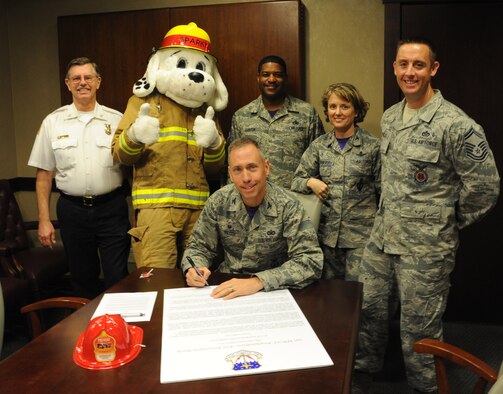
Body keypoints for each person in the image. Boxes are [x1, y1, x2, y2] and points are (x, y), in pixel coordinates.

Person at [353, 38, 500, 393]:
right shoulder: (390, 117)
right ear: (394, 68)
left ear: (433, 69)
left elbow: (486, 187)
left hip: (426, 251)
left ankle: (425, 390)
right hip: (383, 241)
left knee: (418, 332)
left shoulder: (457, 125)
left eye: (418, 65)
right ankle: (358, 380)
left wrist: (444, 221)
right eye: (403, 64)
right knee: (369, 315)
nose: (409, 72)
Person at [112, 22, 227, 269]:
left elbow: (215, 168)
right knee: (158, 282)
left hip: (198, 210)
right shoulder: (142, 102)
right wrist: (134, 135)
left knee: (198, 280)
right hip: (156, 209)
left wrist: (215, 143)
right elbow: (120, 154)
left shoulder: (204, 110)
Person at [28, 57, 131, 299]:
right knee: (82, 278)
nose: (82, 83)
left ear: (98, 82)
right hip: (72, 211)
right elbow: (44, 175)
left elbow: (132, 170)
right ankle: (88, 332)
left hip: (112, 209)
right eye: (76, 78)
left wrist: (137, 210)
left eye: (88, 78)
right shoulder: (53, 122)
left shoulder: (117, 120)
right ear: (67, 83)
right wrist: (44, 220)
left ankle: (120, 331)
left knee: (118, 276)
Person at [181, 137, 323, 299]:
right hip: (226, 289)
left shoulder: (288, 205)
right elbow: (198, 247)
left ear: (266, 168)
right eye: (238, 170)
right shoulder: (218, 201)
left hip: (273, 292)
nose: (246, 178)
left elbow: (310, 261)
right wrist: (194, 268)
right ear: (230, 174)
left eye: (252, 167)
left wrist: (258, 282)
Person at [291, 83, 380, 281]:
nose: (337, 112)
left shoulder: (373, 147)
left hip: (361, 240)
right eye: (332, 107)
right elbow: (296, 180)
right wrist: (310, 182)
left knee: (359, 298)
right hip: (327, 239)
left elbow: (385, 194)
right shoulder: (319, 146)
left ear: (356, 111)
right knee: (329, 298)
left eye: (344, 106)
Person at [228, 55, 324, 189]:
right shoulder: (241, 116)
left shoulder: (307, 114)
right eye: (266, 74)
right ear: (258, 77)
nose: (271, 79)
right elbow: (233, 163)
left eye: (277, 75)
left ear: (285, 78)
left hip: (294, 200)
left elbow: (319, 158)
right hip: (252, 199)